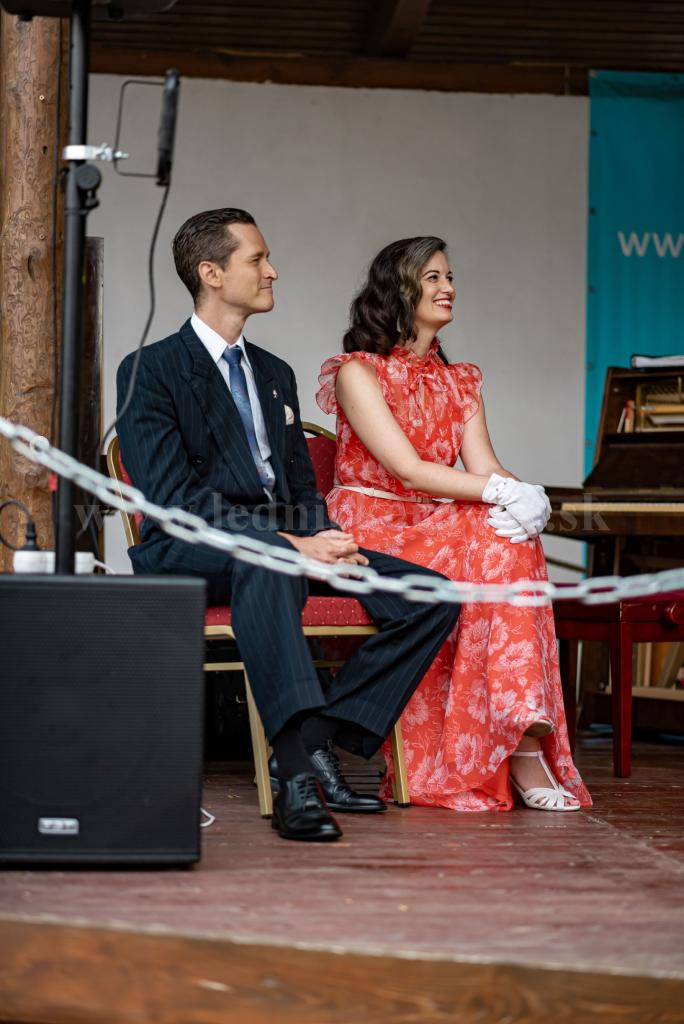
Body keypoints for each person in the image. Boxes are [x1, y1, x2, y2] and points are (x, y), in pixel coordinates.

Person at [116, 210, 459, 843]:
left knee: (431, 597)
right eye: (257, 259)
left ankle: (313, 736)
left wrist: (322, 538)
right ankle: (298, 779)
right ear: (211, 273)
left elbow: (301, 486)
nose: (272, 270)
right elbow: (172, 500)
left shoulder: (275, 373)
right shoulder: (150, 369)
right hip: (189, 547)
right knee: (269, 561)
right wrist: (289, 544)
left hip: (286, 541)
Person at [316, 236, 591, 813]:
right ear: (398, 289)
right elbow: (407, 470)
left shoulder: (460, 379)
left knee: (508, 535)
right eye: (433, 278)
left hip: (435, 520)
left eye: (450, 276)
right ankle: (518, 749)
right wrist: (499, 493)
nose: (448, 288)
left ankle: (519, 733)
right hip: (374, 523)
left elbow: (484, 466)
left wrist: (525, 496)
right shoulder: (358, 372)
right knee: (494, 533)